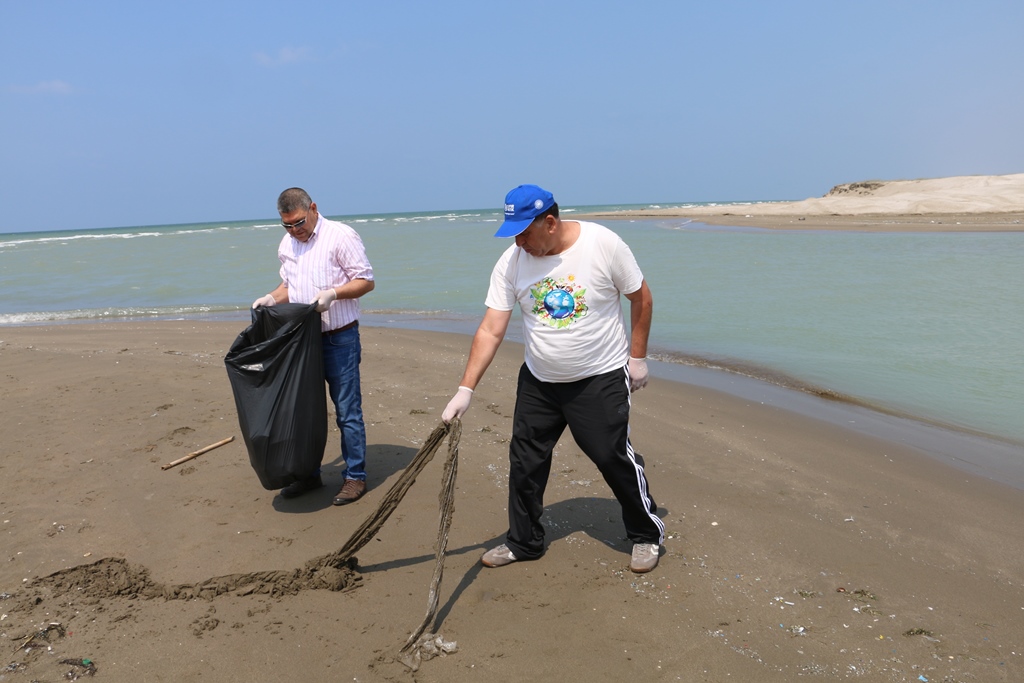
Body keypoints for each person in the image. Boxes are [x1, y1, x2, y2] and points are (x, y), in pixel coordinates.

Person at [442, 184, 664, 573]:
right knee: (524, 462)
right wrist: (465, 389)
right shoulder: (511, 262)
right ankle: (524, 541)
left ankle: (646, 533)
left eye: (524, 233)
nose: (519, 242)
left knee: (610, 457)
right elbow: (492, 329)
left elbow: (640, 297)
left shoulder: (602, 244)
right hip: (540, 381)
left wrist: (638, 358)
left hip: (598, 378)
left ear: (549, 222)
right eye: (513, 234)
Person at [252, 187, 375, 505]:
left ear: (314, 209)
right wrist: (270, 298)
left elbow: (365, 280)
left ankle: (355, 477)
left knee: (347, 411)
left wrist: (334, 294)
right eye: (287, 225)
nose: (295, 230)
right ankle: (308, 475)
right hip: (300, 341)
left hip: (339, 338)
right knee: (302, 410)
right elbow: (288, 285)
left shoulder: (341, 236)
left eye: (299, 223)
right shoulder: (287, 244)